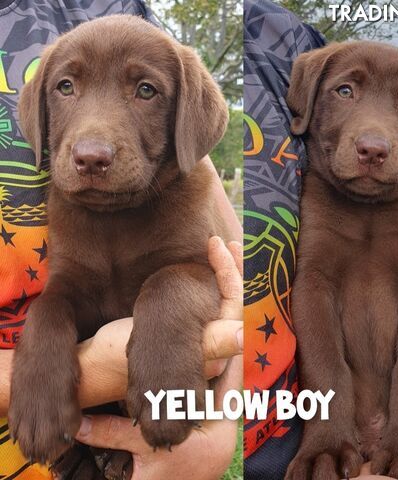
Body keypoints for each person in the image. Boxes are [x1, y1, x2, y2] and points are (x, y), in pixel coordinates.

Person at [242, 0, 398, 478]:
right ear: (309, 102)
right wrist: (327, 425)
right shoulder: (312, 194)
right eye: (346, 90)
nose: (374, 139)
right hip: (324, 420)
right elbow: (312, 290)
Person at [0, 0, 242, 478]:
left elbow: (226, 272)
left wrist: (222, 419)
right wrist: (49, 358)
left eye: (145, 90)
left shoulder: (114, 10)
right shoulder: (66, 205)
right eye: (66, 88)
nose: (92, 146)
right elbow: (69, 296)